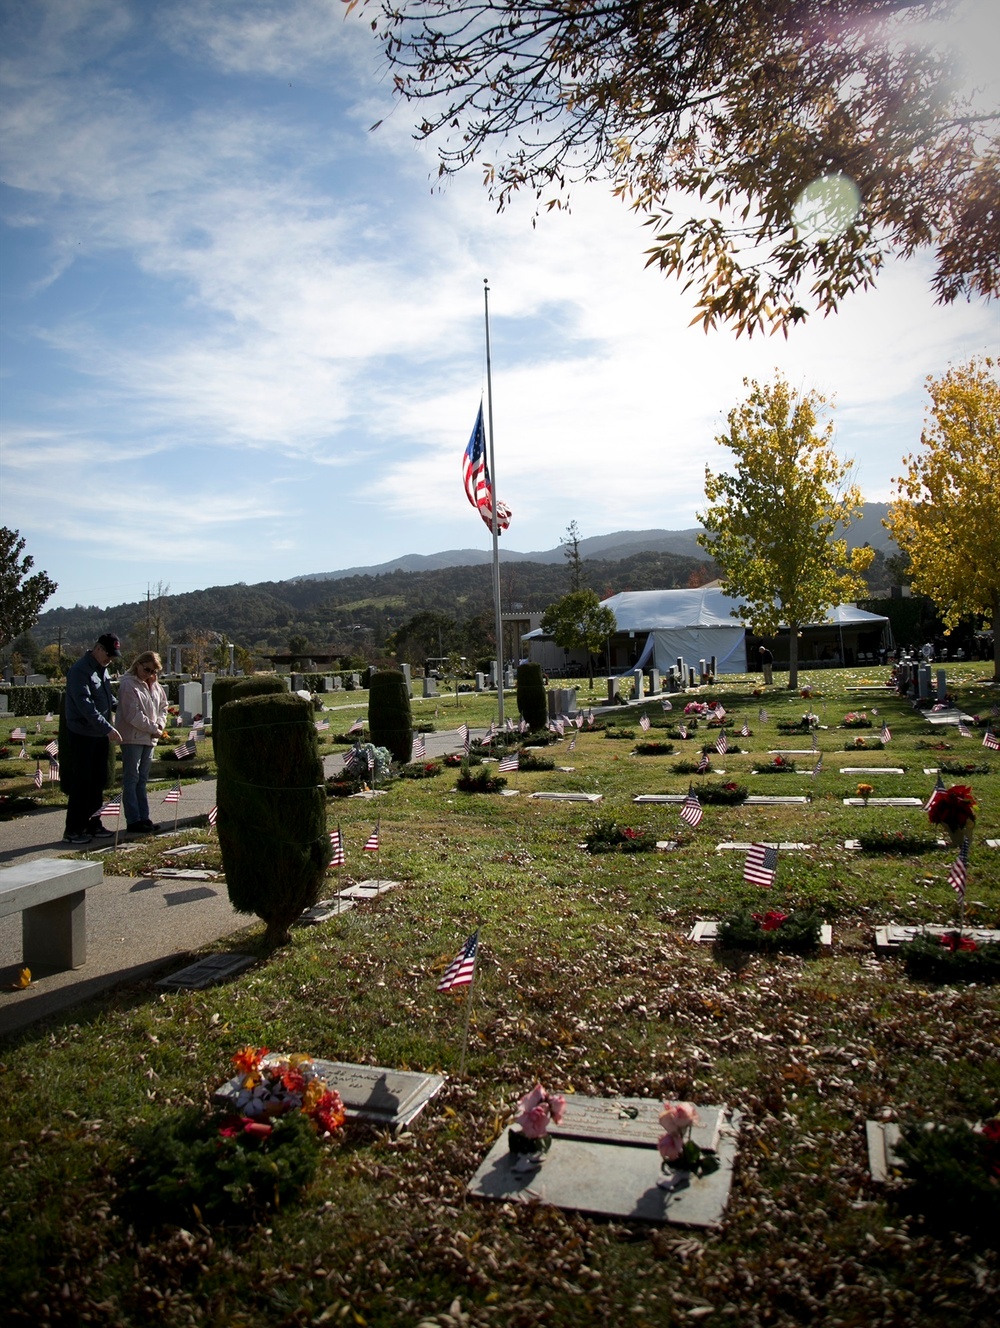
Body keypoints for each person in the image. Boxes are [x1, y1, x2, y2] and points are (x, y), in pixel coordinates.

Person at [62, 634, 123, 844]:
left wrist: (124, 708)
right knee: (82, 782)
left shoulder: (102, 670)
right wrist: (107, 728)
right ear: (97, 648)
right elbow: (85, 705)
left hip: (99, 734)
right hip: (82, 734)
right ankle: (73, 829)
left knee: (97, 781)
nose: (110, 659)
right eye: (108, 654)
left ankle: (94, 824)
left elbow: (107, 698)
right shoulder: (80, 671)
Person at [117, 650, 170, 834]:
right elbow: (133, 715)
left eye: (153, 672)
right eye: (146, 669)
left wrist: (160, 724)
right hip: (133, 737)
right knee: (131, 779)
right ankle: (133, 820)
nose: (149, 674)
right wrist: (154, 729)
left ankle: (144, 817)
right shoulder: (128, 684)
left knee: (142, 779)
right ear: (138, 664)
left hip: (149, 738)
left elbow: (164, 706)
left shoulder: (155, 686)